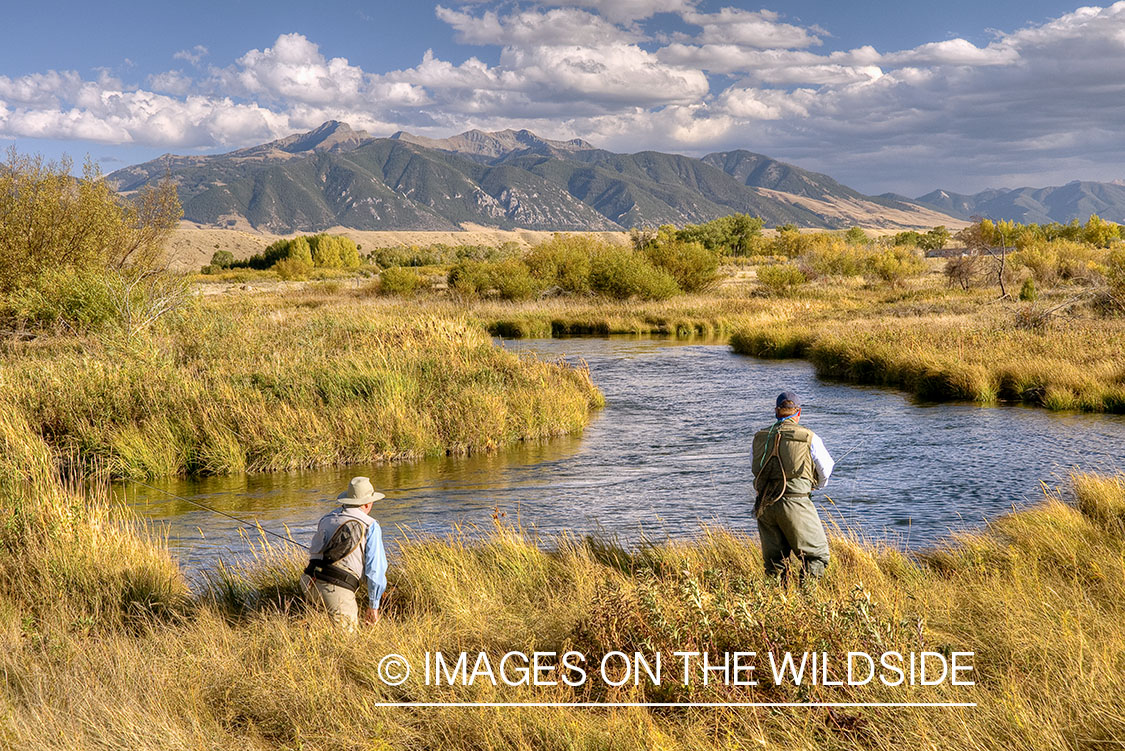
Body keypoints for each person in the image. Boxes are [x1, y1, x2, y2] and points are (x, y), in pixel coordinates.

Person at [750, 391, 835, 580]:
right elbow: (826, 470)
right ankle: (807, 600)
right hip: (796, 503)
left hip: (764, 505)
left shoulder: (759, 437)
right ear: (798, 412)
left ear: (776, 411)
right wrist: (815, 486)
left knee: (775, 562)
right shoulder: (809, 437)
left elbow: (754, 468)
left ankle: (775, 602)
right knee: (816, 556)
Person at [300, 476, 388, 631]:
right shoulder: (370, 525)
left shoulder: (327, 518)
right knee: (346, 645)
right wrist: (373, 606)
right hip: (336, 590)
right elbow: (375, 571)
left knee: (317, 635)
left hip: (308, 582)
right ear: (368, 503)